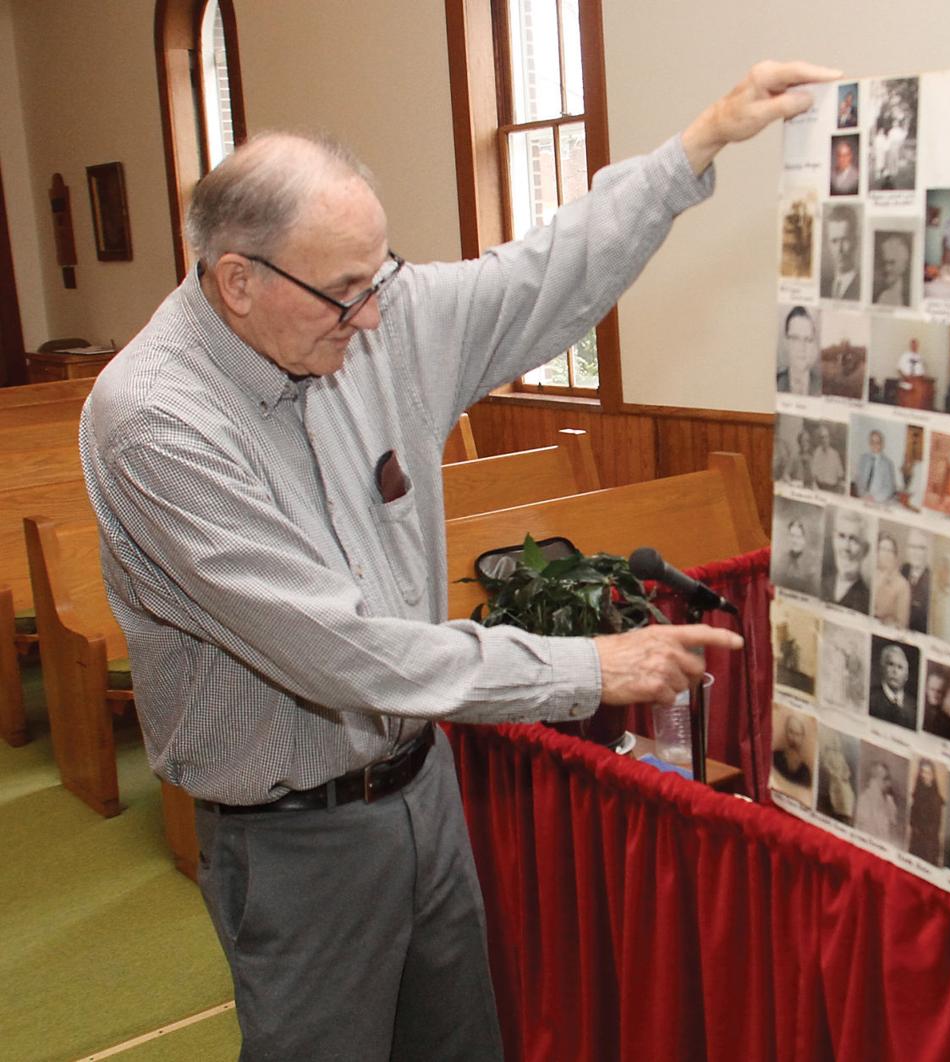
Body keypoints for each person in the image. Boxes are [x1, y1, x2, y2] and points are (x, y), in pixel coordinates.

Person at [76, 60, 828, 1057]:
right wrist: (586, 668)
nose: (378, 317)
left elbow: (542, 274)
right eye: (348, 291)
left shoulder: (363, 319)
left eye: (380, 277)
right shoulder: (157, 426)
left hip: (422, 784)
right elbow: (337, 651)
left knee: (461, 1042)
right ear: (237, 283)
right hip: (295, 838)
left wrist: (695, 147)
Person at [821, 507, 871, 614]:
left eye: (854, 539)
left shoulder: (868, 601)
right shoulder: (820, 583)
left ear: (865, 550)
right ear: (833, 540)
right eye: (841, 536)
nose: (845, 547)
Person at [868, 641, 916, 730]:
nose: (895, 671)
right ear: (882, 668)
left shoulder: (914, 706)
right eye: (891, 664)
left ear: (906, 675)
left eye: (900, 667)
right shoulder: (870, 698)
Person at [907, 758, 945, 864]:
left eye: (927, 772)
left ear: (932, 775)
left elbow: (936, 825)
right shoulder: (917, 794)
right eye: (922, 772)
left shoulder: (936, 798)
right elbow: (912, 818)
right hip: (916, 842)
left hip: (929, 845)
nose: (924, 775)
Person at [821, 203, 861, 301]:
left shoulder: (862, 285)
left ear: (855, 241)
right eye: (834, 241)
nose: (839, 249)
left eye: (845, 240)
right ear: (828, 244)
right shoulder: (823, 287)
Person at [776, 305, 820, 396]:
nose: (802, 347)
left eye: (808, 339)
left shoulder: (821, 385)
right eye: (795, 338)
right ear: (786, 342)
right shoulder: (776, 382)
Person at [854, 760, 902, 843]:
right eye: (883, 779)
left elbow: (893, 825)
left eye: (887, 778)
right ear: (872, 779)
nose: (888, 783)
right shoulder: (864, 799)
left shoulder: (889, 800)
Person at [872, 533, 912, 630]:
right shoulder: (870, 576)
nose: (884, 554)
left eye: (889, 551)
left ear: (895, 556)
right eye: (881, 549)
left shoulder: (902, 585)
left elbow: (902, 623)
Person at [771, 516, 819, 596]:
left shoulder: (813, 562)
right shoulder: (782, 559)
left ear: (805, 538)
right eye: (792, 536)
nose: (794, 541)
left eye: (798, 537)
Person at [853, 429, 900, 504]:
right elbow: (858, 479)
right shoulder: (863, 458)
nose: (874, 444)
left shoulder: (888, 464)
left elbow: (890, 487)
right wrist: (863, 495)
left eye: (877, 442)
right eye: (872, 442)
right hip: (863, 498)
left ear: (882, 444)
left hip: (879, 501)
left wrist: (874, 498)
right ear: (869, 443)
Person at [818, 736, 856, 824]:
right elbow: (826, 766)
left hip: (842, 778)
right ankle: (839, 812)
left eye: (837, 743)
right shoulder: (828, 755)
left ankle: (847, 813)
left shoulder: (840, 756)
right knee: (837, 793)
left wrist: (846, 774)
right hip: (835, 779)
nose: (836, 744)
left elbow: (846, 767)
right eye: (834, 742)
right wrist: (834, 774)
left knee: (848, 793)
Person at [772, 711, 812, 789]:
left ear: (802, 737)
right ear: (786, 732)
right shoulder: (775, 757)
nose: (793, 738)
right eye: (791, 732)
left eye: (797, 734)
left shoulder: (805, 771)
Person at [902, 530, 931, 633]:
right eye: (912, 546)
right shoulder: (902, 571)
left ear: (927, 551)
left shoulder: (931, 581)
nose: (915, 552)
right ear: (907, 549)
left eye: (921, 548)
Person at [873, 231, 912, 307]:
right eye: (884, 262)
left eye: (892, 263)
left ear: (904, 264)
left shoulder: (910, 296)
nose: (887, 268)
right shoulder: (875, 296)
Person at [809, 422, 845, 492]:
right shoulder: (817, 452)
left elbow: (840, 474)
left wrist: (837, 489)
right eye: (822, 437)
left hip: (832, 488)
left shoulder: (835, 454)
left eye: (826, 437)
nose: (824, 440)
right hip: (819, 487)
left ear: (829, 438)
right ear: (819, 439)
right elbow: (813, 473)